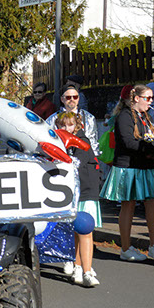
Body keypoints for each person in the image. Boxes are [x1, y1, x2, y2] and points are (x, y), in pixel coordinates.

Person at [100, 85, 154, 262]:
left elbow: (150, 139)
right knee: (128, 205)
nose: (151, 102)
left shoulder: (145, 116)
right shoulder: (124, 116)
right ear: (136, 98)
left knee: (152, 202)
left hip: (146, 166)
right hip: (128, 167)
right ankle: (125, 248)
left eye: (152, 98)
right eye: (148, 98)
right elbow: (129, 143)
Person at [55, 112, 102, 287]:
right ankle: (77, 266)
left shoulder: (83, 142)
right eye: (62, 125)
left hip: (86, 191)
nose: (66, 128)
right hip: (69, 192)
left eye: (70, 124)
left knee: (85, 230)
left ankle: (87, 271)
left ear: (77, 126)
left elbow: (74, 164)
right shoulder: (57, 142)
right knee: (74, 231)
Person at [46, 84, 100, 156]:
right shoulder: (52, 119)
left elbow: (93, 141)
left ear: (78, 98)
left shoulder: (89, 118)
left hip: (84, 156)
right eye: (68, 97)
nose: (72, 99)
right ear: (62, 99)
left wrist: (93, 158)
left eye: (75, 97)